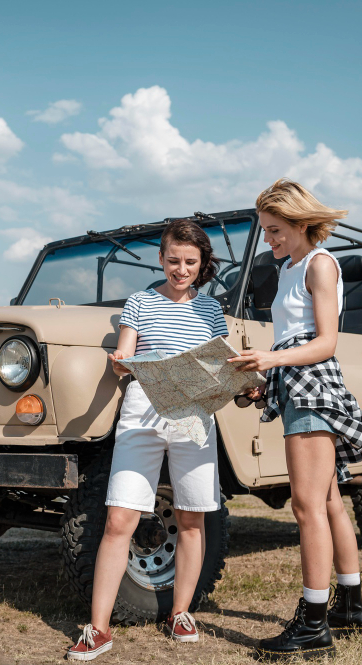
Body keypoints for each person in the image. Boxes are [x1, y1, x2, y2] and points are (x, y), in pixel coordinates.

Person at [229, 179, 362, 661]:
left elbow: (325, 344)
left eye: (275, 230)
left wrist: (270, 363)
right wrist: (263, 375)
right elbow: (293, 339)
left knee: (306, 508)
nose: (269, 240)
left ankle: (314, 623)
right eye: (266, 231)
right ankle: (351, 605)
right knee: (329, 501)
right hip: (297, 383)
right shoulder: (290, 268)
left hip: (313, 387)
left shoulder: (320, 264)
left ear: (300, 223)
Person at [66, 220, 228, 661]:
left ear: (201, 263)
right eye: (173, 261)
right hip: (143, 408)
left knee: (193, 518)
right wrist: (120, 362)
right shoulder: (140, 302)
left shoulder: (212, 310)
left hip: (194, 413)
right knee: (120, 519)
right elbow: (125, 356)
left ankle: (181, 613)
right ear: (160, 258)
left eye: (190, 262)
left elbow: (218, 365)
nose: (181, 270)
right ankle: (98, 629)